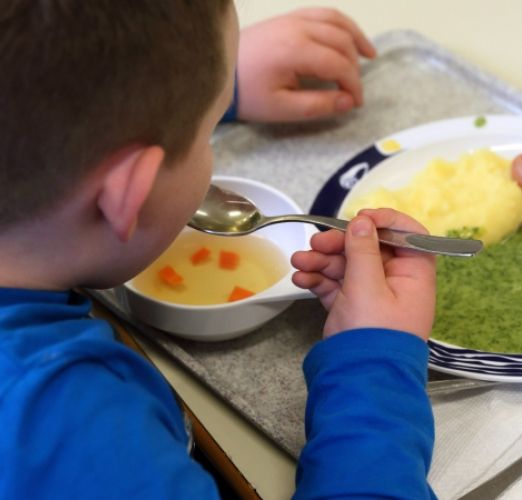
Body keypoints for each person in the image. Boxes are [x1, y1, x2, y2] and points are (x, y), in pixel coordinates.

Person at [0, 2, 436, 499]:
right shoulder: (87, 440)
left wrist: (206, 82)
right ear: (129, 197)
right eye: (207, 136)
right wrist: (375, 366)